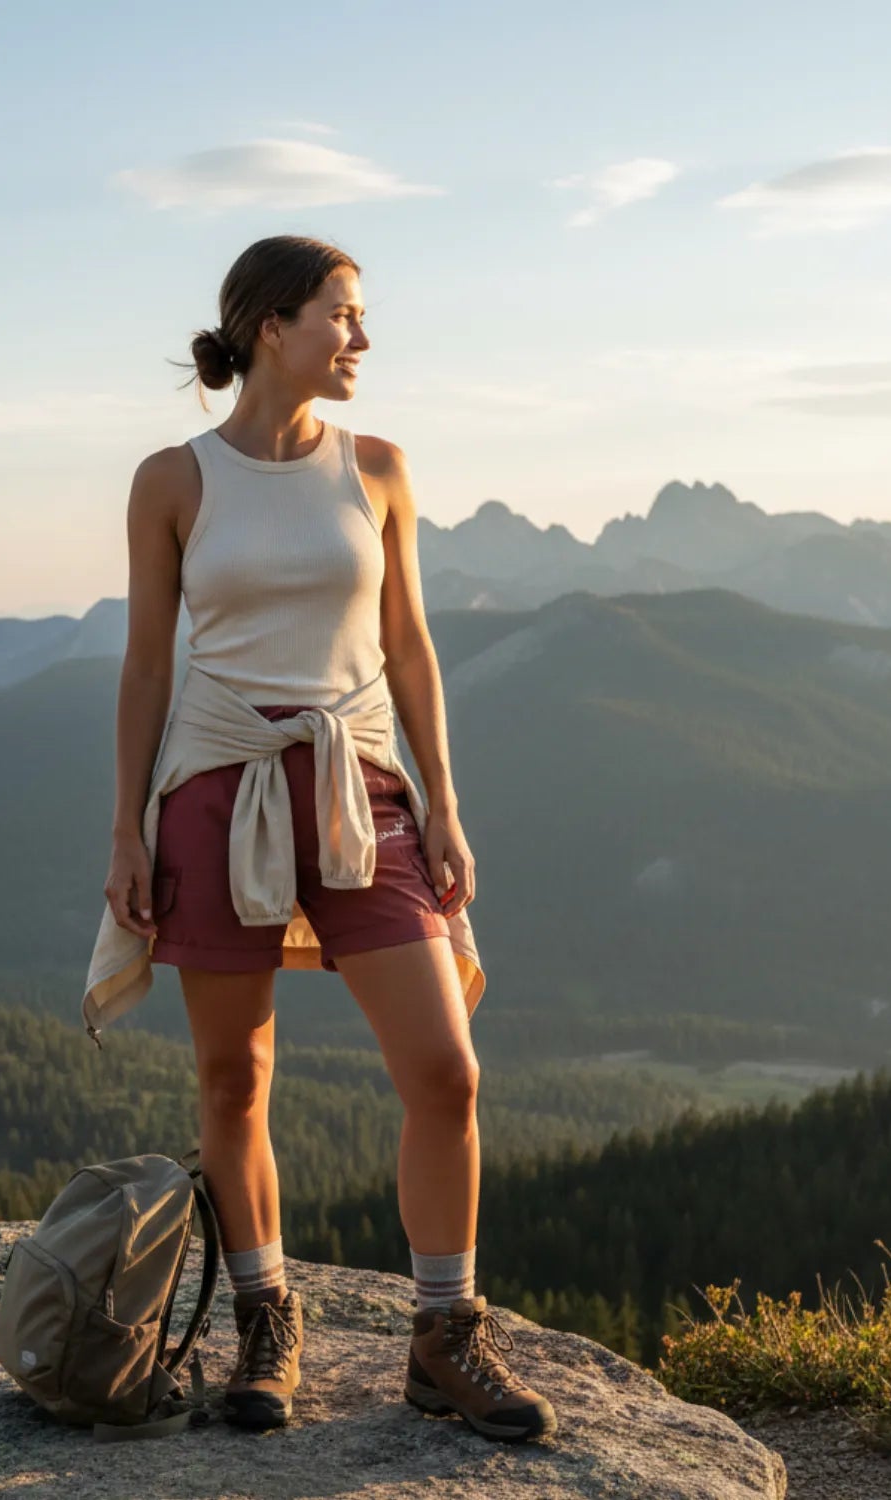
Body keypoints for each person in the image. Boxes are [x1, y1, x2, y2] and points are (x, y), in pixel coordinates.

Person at [95, 234, 556, 1443]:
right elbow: (148, 664)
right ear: (270, 328)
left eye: (359, 317)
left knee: (447, 1074)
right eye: (342, 315)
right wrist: (128, 831)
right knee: (233, 1077)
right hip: (214, 785)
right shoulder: (172, 480)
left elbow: (409, 647)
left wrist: (444, 802)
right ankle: (265, 1321)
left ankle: (444, 1338)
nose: (361, 338)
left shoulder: (381, 469)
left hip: (362, 790)